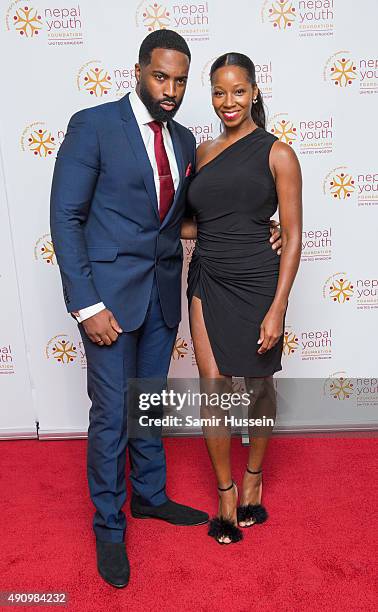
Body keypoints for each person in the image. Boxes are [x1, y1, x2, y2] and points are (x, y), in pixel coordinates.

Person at [50, 30, 282, 587]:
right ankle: (109, 526)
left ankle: (149, 497)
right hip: (107, 300)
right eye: (161, 77)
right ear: (138, 70)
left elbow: (192, 216)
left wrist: (259, 230)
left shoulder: (184, 141)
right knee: (111, 416)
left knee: (147, 406)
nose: (171, 89)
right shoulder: (94, 125)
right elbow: (66, 218)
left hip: (160, 294)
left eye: (180, 80)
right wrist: (86, 305)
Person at [183, 52, 302, 545]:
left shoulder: (278, 153)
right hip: (207, 274)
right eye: (218, 91)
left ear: (254, 91)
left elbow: (292, 235)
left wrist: (278, 307)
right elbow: (194, 221)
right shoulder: (204, 152)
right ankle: (227, 492)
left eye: (237, 91)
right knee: (213, 388)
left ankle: (254, 474)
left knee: (257, 387)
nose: (227, 102)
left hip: (257, 280)